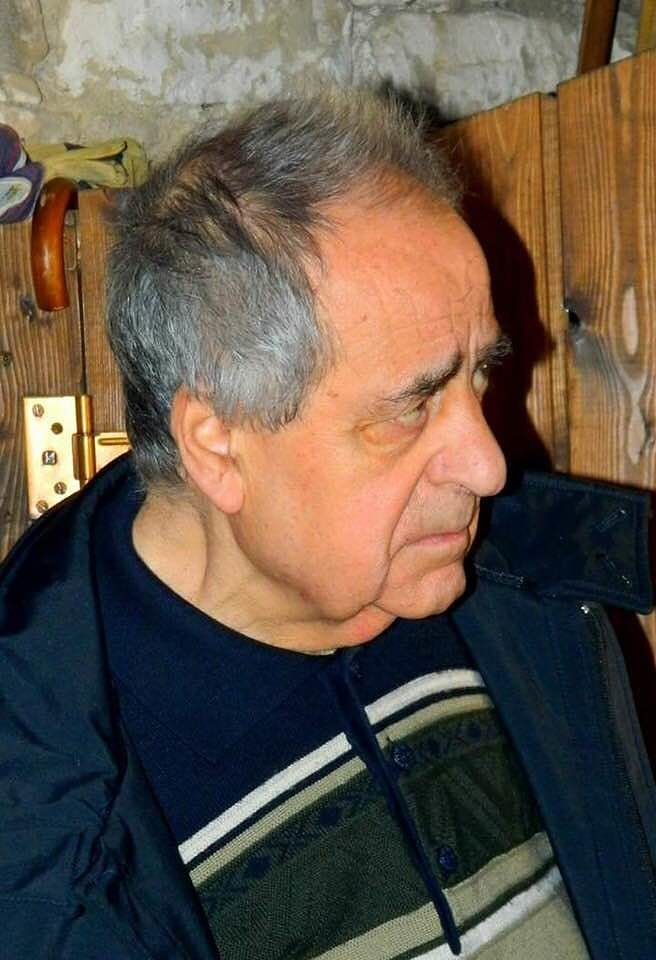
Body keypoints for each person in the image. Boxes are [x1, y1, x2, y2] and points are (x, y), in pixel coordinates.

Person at [1, 89, 655, 960]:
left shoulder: (527, 599)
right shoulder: (46, 819)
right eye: (412, 406)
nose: (489, 467)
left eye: (479, 376)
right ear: (218, 445)